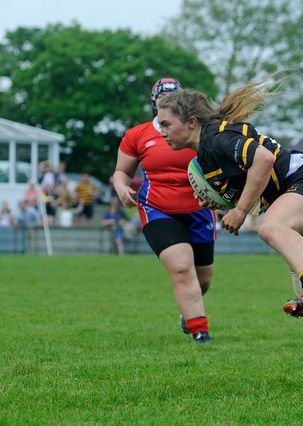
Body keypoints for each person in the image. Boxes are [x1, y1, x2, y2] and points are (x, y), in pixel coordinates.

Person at [156, 80, 303, 388]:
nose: (162, 131)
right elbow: (243, 183)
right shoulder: (206, 156)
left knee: (272, 229)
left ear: (192, 122)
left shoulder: (217, 139)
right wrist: (223, 201)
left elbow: (263, 159)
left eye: (167, 124)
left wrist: (240, 211)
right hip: (302, 194)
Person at [112, 77, 216, 344]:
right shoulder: (138, 135)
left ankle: (188, 310)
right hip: (158, 209)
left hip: (200, 209)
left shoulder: (203, 131)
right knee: (182, 269)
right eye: (162, 101)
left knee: (203, 278)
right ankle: (200, 332)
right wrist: (122, 187)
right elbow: (121, 173)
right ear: (154, 103)